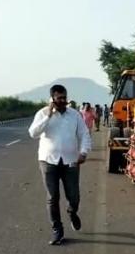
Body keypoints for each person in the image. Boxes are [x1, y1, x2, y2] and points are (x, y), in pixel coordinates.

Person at [28, 85, 91, 245]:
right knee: (52, 197)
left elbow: (84, 134)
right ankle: (57, 230)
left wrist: (83, 152)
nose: (63, 101)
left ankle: (72, 212)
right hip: (48, 161)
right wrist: (48, 115)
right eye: (59, 98)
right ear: (52, 99)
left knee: (74, 196)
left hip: (71, 161)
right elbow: (33, 133)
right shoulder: (43, 113)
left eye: (64, 97)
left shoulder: (74, 115)